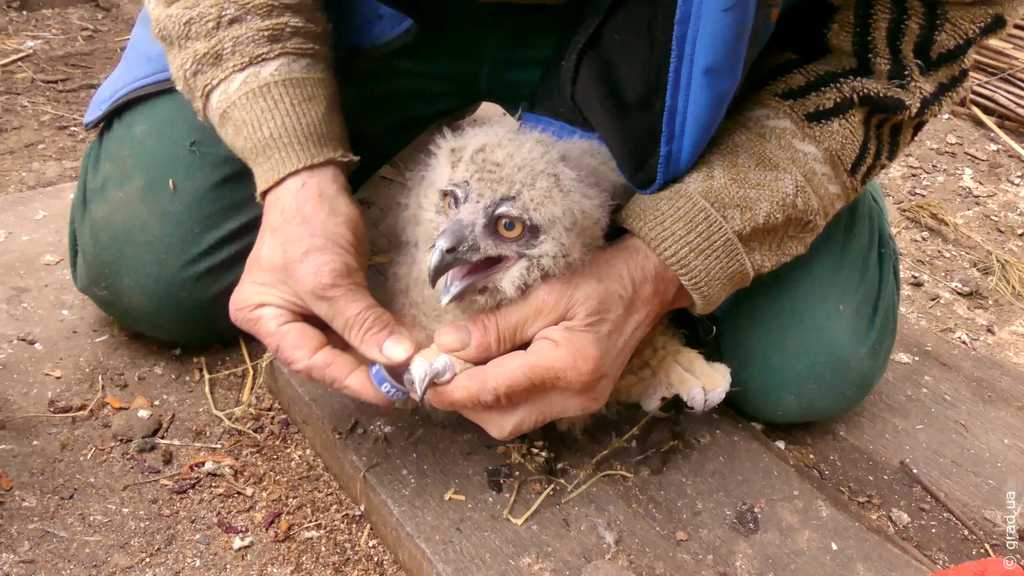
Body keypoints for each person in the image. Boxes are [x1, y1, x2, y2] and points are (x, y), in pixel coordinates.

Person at [71, 0, 1016, 439]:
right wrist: (290, 161)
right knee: (153, 257)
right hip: (373, 10)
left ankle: (768, 161)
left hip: (688, 35)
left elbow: (909, 34)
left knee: (810, 361)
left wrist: (681, 248)